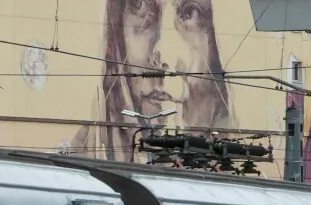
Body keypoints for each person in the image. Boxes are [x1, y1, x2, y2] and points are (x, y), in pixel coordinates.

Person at [71, 0, 231, 160]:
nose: (163, 59)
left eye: (190, 13)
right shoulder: (76, 161)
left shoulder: (233, 164)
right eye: (138, 5)